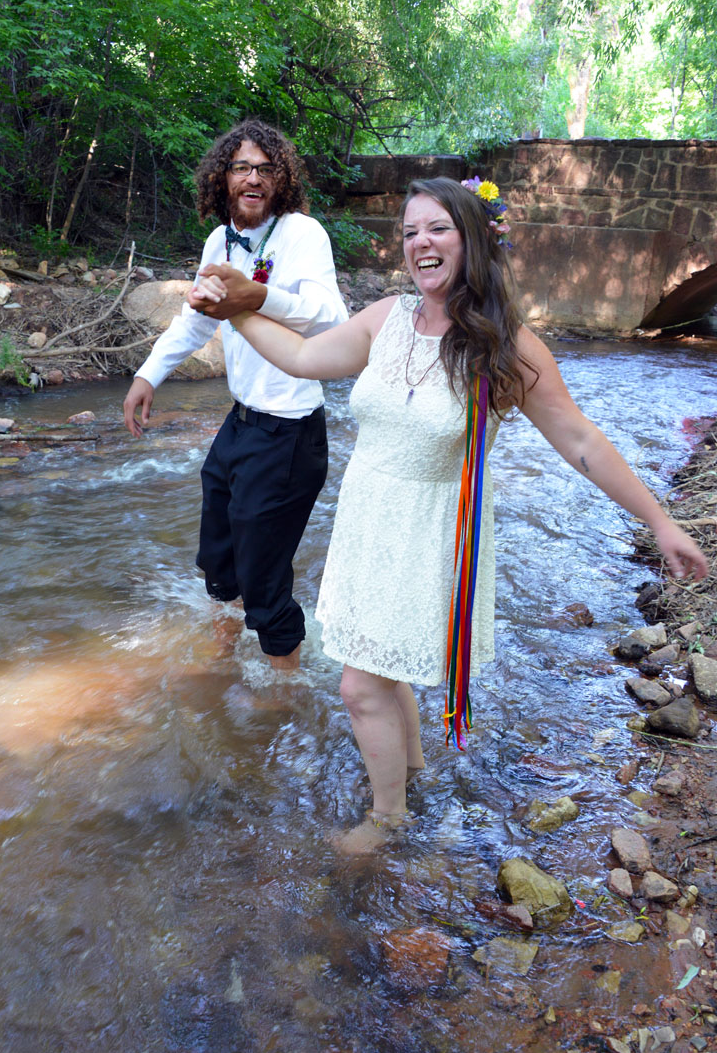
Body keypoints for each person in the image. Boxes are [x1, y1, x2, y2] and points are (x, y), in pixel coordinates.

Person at [192, 175, 709, 852]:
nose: (420, 243)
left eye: (436, 228)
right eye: (409, 232)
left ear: (471, 238)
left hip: (434, 530)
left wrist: (662, 521)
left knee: (357, 685)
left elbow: (581, 440)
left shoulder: (503, 345)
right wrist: (236, 310)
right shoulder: (385, 318)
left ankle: (389, 819)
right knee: (383, 667)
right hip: (368, 520)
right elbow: (302, 355)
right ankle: (410, 772)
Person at [122, 120, 348, 669]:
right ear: (223, 177)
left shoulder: (303, 234)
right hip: (240, 424)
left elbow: (333, 320)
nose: (253, 178)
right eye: (241, 167)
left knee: (264, 578)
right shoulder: (220, 239)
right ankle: (223, 658)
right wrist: (148, 374)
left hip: (290, 433)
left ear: (281, 178)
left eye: (264, 169)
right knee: (220, 561)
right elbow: (196, 320)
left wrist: (258, 297)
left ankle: (285, 689)